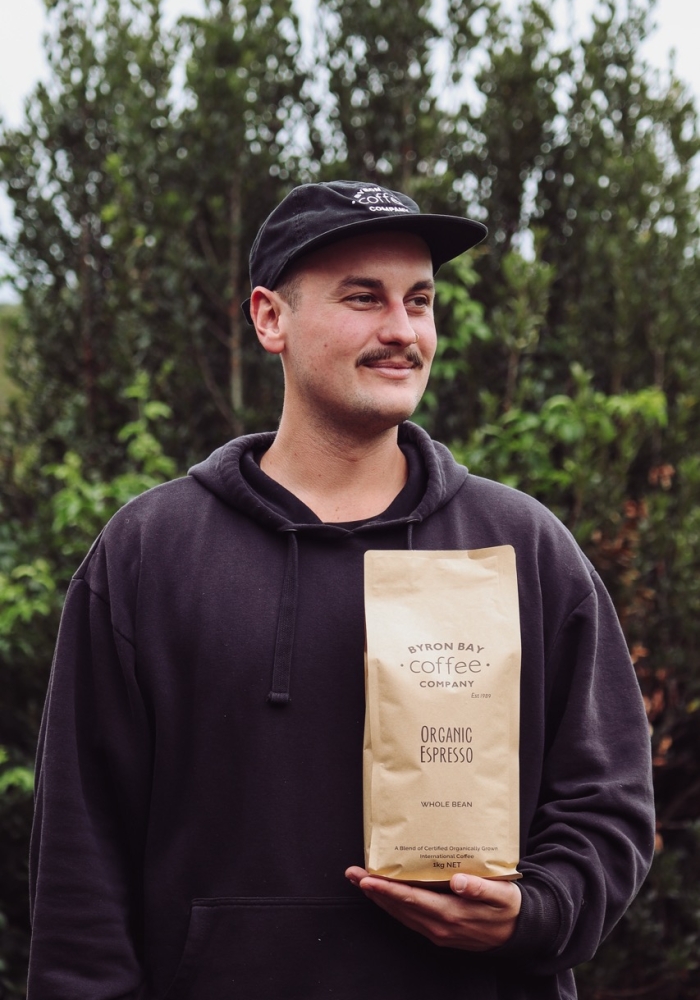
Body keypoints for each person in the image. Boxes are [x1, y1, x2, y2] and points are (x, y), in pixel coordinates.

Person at [28, 180, 654, 1000]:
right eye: (363, 299)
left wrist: (534, 912)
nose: (401, 330)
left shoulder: (523, 547)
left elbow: (608, 803)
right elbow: (81, 849)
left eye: (419, 301)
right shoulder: (150, 552)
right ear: (269, 318)